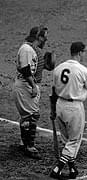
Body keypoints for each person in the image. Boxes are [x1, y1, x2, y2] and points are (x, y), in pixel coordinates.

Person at [49, 42, 87, 180]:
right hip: (74, 108)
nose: (85, 54)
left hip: (60, 105)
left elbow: (53, 91)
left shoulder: (58, 68)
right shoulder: (82, 70)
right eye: (84, 52)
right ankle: (57, 169)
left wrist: (52, 110)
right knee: (74, 140)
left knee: (66, 139)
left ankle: (72, 168)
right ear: (80, 53)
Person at [13, 26, 55, 159]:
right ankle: (29, 147)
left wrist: (45, 65)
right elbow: (25, 70)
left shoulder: (32, 49)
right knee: (31, 116)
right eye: (45, 37)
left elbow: (33, 67)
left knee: (28, 116)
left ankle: (23, 143)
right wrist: (33, 86)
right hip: (26, 86)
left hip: (28, 85)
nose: (46, 39)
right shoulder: (26, 49)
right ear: (39, 37)